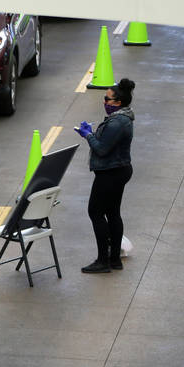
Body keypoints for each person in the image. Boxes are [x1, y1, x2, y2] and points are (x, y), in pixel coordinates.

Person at [77, 77, 135, 274]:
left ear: (118, 103)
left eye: (107, 99)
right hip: (118, 170)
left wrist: (88, 135)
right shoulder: (122, 117)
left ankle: (103, 260)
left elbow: (101, 149)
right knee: (112, 212)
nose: (104, 102)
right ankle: (114, 260)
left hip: (111, 172)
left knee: (95, 211)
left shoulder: (118, 122)